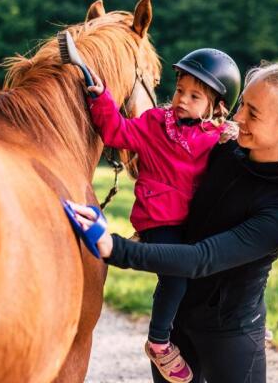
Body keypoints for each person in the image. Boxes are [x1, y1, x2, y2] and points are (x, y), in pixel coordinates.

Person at [69, 62, 278, 383]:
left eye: (253, 113)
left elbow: (202, 258)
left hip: (229, 339)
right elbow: (168, 162)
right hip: (176, 326)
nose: (237, 116)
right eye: (242, 103)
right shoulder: (223, 151)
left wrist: (113, 247)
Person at [85, 48, 241, 383]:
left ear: (217, 107)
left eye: (195, 96)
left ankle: (237, 327)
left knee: (217, 266)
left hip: (192, 221)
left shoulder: (216, 137)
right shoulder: (156, 123)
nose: (182, 99)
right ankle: (158, 341)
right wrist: (102, 100)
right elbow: (117, 133)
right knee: (175, 276)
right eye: (179, 91)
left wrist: (233, 139)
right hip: (160, 218)